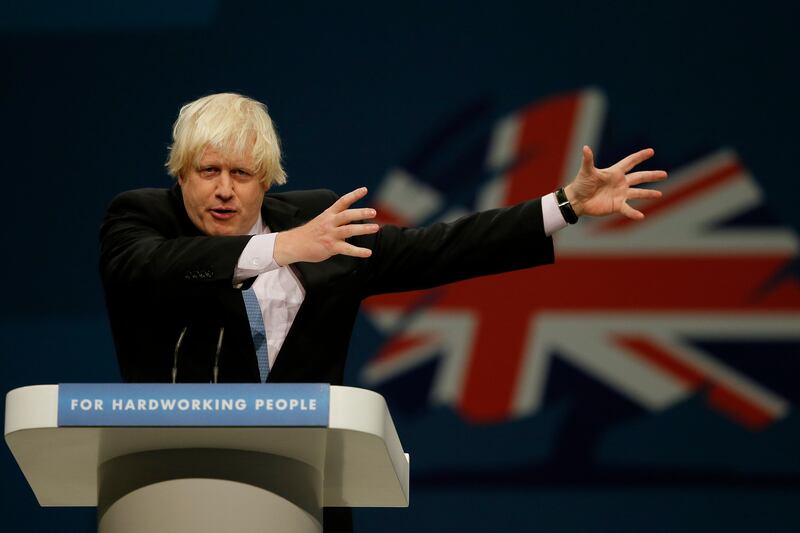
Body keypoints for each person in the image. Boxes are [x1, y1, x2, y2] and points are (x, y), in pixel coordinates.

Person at [99, 92, 666, 532]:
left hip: (304, 500)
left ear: (266, 179)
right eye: (208, 172)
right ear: (181, 173)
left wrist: (564, 205)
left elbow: (441, 247)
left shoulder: (322, 225)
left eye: (241, 174)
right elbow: (150, 269)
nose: (224, 190)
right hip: (171, 491)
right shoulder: (142, 219)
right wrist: (282, 248)